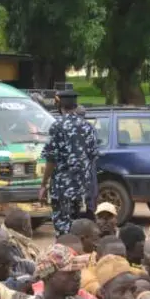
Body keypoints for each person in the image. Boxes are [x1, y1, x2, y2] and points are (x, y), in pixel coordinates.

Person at [39, 88, 98, 234]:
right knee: (77, 228)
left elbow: (51, 159)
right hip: (81, 188)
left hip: (61, 189)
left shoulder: (57, 127)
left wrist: (43, 184)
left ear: (60, 106)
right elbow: (92, 157)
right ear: (75, 105)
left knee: (63, 229)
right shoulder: (87, 127)